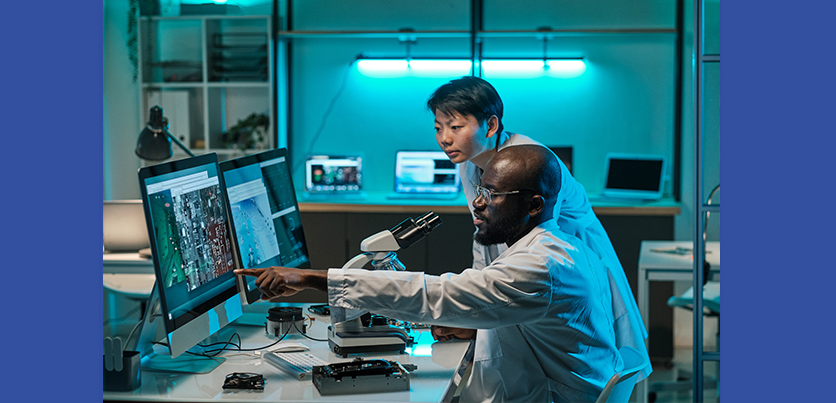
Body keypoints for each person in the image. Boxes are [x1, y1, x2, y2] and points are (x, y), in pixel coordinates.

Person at [236, 145, 622, 402]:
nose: (477, 203)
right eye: (480, 190)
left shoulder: (543, 265)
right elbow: (523, 315)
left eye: (491, 195)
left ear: (534, 205)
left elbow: (437, 294)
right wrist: (479, 327)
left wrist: (308, 279)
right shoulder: (555, 246)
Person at [426, 76, 651, 381]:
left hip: (570, 261)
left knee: (588, 367)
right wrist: (474, 303)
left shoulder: (528, 160)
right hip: (534, 268)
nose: (444, 139)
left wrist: (478, 307)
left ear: (491, 125)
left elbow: (536, 243)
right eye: (438, 128)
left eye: (455, 127)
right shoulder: (470, 163)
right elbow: (485, 233)